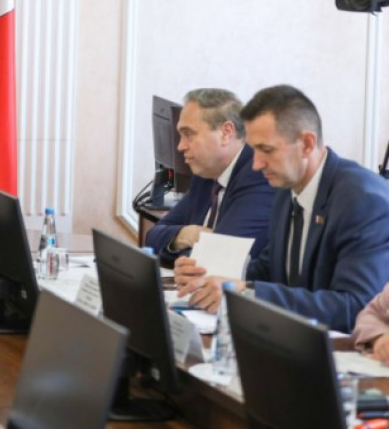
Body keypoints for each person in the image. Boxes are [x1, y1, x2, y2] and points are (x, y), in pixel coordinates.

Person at [175, 85, 389, 333]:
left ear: (306, 144)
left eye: (266, 150)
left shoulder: (362, 200)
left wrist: (248, 292)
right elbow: (271, 270)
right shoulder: (287, 187)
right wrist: (206, 273)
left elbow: (354, 307)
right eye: (254, 150)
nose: (256, 164)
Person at [144, 88, 276, 262]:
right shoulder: (206, 173)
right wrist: (188, 234)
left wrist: (178, 246)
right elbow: (152, 237)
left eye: (188, 134)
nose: (180, 146)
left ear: (226, 133)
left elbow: (220, 257)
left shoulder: (259, 177)